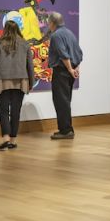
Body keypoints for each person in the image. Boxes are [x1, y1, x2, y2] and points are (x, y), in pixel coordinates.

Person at [0, 17, 34, 151]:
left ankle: (6, 139)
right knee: (16, 111)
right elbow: (30, 66)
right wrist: (31, 82)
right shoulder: (25, 44)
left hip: (2, 81)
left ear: (5, 30)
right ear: (18, 29)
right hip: (21, 81)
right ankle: (13, 141)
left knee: (3, 111)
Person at [46, 12, 83, 140]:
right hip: (69, 72)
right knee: (65, 101)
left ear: (52, 23)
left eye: (48, 23)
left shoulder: (56, 35)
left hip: (61, 72)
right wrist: (74, 69)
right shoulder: (70, 33)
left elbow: (63, 54)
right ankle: (65, 128)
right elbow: (79, 53)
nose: (48, 25)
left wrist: (70, 69)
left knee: (61, 101)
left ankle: (66, 131)